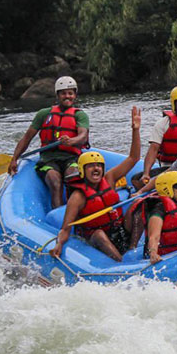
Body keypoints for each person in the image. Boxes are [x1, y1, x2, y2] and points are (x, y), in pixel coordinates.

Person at [50, 107, 142, 262]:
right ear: (82, 170)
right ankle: (120, 264)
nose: (96, 169)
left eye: (99, 165)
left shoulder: (110, 178)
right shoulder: (78, 197)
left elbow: (133, 158)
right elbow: (65, 228)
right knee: (99, 234)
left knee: (138, 207)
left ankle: (133, 250)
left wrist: (136, 130)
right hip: (96, 239)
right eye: (91, 166)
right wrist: (59, 244)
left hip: (118, 230)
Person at [8, 76, 90, 209]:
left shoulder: (79, 115)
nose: (67, 96)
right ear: (57, 95)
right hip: (48, 159)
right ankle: (58, 216)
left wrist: (71, 141)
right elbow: (26, 138)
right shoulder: (44, 114)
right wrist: (14, 159)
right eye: (63, 93)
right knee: (55, 182)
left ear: (75, 95)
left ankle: (76, 212)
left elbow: (83, 136)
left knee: (73, 177)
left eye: (70, 93)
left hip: (72, 158)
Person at [137, 85, 177, 186]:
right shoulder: (162, 124)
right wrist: (146, 173)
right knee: (135, 180)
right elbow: (153, 150)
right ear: (174, 103)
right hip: (168, 168)